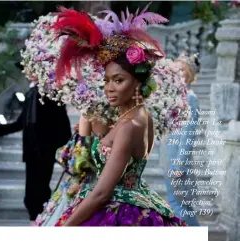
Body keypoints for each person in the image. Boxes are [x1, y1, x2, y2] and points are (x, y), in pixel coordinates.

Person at [37, 6, 187, 226]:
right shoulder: (137, 116)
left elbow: (102, 193)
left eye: (118, 80)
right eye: (107, 80)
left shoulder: (131, 124)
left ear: (137, 81)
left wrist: (65, 228)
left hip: (118, 214)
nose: (109, 88)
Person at [0, 62, 72, 225]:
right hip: (33, 152)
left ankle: (42, 222)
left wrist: (63, 149)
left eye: (31, 68)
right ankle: (38, 222)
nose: (27, 72)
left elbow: (62, 123)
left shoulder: (50, 93)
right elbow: (21, 123)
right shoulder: (31, 92)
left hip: (43, 151)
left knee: (39, 192)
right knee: (33, 194)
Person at [162, 52, 201, 226]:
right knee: (174, 203)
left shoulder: (190, 99)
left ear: (187, 75)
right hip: (168, 157)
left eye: (181, 70)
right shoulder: (174, 97)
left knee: (181, 207)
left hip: (178, 161)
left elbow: (188, 134)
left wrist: (180, 165)